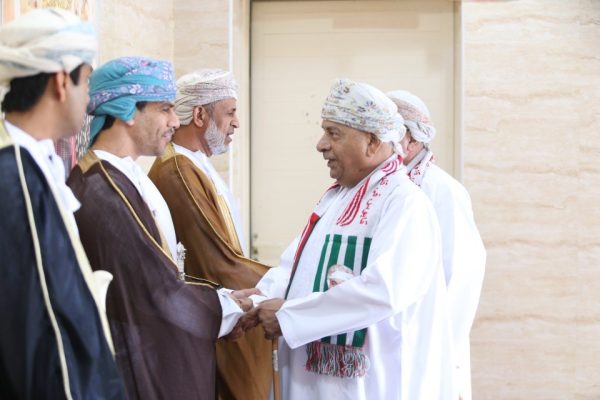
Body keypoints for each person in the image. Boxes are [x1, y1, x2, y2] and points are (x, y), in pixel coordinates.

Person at [245, 79, 456, 399]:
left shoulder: (404, 203)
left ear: (372, 141)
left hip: (365, 384)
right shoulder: (338, 197)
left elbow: (383, 290)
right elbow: (297, 266)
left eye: (334, 133)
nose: (321, 145)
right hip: (310, 377)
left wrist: (291, 316)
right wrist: (258, 299)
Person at [67, 56, 249, 400]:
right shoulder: (103, 190)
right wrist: (228, 308)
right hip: (134, 367)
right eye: (165, 109)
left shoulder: (126, 176)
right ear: (127, 111)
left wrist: (226, 301)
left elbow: (162, 273)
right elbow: (155, 291)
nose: (174, 121)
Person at [0, 8, 125, 399]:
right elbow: (36, 328)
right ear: (59, 81)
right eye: (85, 80)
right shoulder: (14, 175)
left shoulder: (35, 163)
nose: (88, 95)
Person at [148, 69, 272, 399]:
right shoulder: (177, 170)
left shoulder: (195, 163)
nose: (236, 123)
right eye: (230, 112)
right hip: (214, 314)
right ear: (200, 115)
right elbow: (217, 262)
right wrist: (282, 286)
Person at [387, 90, 486, 400]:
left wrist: (435, 347)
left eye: (386, 133)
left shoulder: (442, 190)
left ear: (411, 141)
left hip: (427, 344)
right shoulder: (383, 186)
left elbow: (460, 275)